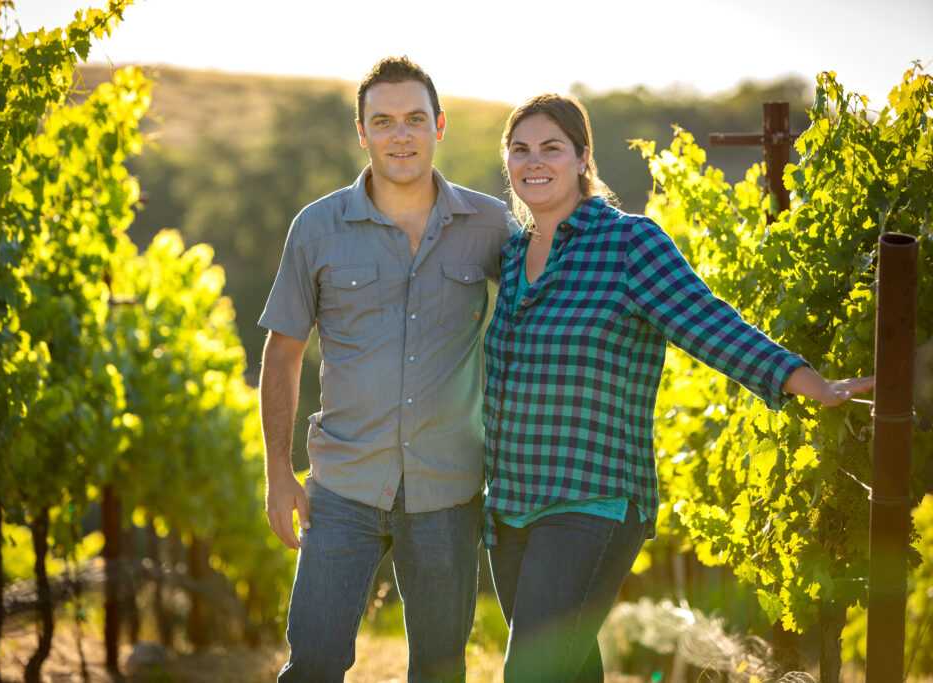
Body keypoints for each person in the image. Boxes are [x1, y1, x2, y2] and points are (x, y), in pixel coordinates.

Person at [482, 93, 874, 683]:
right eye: (520, 149)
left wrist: (804, 381)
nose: (534, 161)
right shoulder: (512, 255)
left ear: (583, 158)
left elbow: (709, 324)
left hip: (592, 496)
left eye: (551, 148)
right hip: (510, 502)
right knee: (568, 666)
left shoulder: (629, 245)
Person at [257, 56, 514, 683]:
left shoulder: (489, 225)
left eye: (414, 119)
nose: (401, 134)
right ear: (362, 131)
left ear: (440, 126)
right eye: (384, 121)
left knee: (439, 669)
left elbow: (539, 317)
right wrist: (277, 474)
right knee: (313, 663)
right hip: (343, 486)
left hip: (449, 489)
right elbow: (282, 352)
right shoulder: (317, 228)